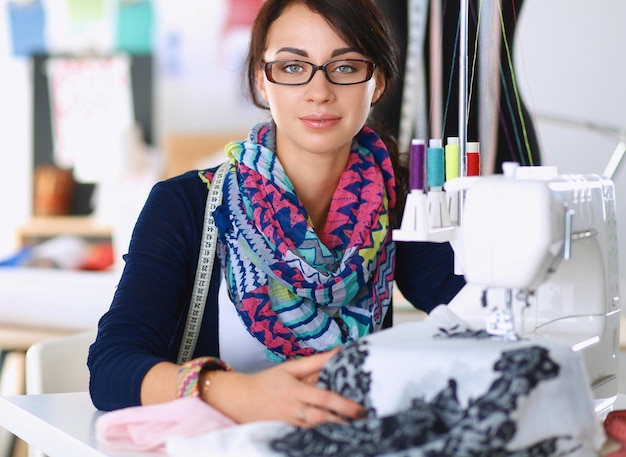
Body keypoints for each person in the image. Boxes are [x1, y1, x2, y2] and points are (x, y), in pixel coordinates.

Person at [88, 0, 464, 428]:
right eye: (291, 67)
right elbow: (111, 368)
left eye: (344, 67)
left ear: (376, 83)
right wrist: (234, 393)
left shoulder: (393, 203)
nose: (319, 91)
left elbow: (475, 315)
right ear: (261, 81)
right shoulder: (186, 204)